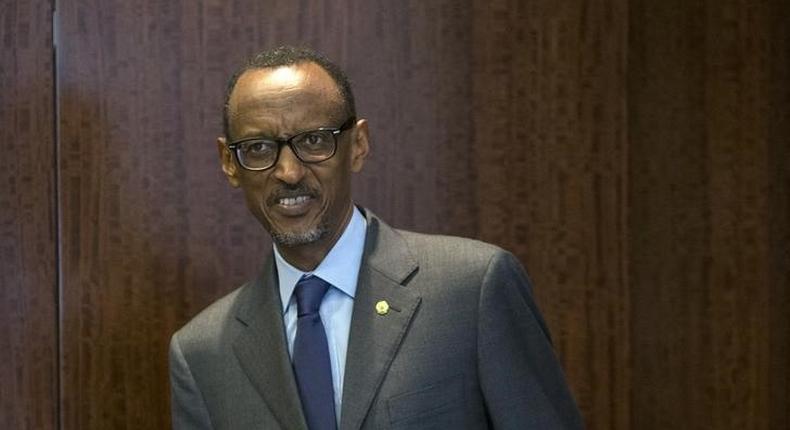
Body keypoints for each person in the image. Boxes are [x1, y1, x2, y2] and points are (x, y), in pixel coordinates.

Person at [169, 46, 584, 430]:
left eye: (314, 141)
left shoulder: (472, 289)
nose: (289, 173)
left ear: (358, 146)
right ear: (229, 163)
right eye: (259, 148)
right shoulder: (202, 354)